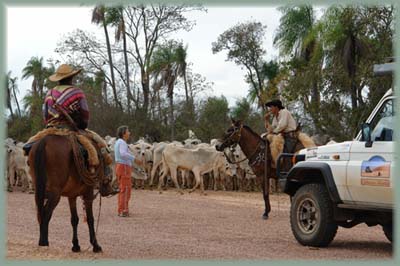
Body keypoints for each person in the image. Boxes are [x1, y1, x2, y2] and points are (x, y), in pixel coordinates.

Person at [114, 126, 143, 217]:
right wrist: (134, 159)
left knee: (122, 189)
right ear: (123, 133)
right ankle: (124, 210)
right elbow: (123, 154)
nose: (129, 133)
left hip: (120, 166)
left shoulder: (118, 142)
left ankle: (121, 209)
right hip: (124, 167)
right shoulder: (122, 142)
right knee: (126, 189)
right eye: (128, 131)